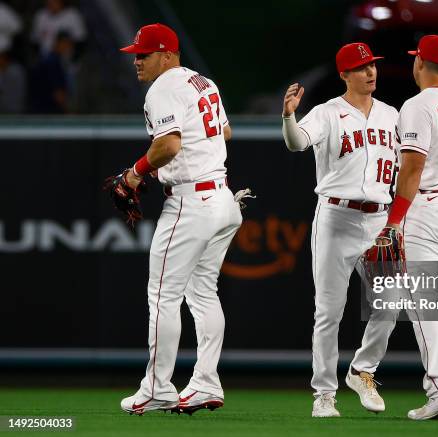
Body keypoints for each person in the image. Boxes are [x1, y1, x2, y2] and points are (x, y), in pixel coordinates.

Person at [117, 23, 243, 415]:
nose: (137, 61)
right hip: (222, 197)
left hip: (191, 204)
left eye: (145, 53)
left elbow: (169, 144)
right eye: (136, 54)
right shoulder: (203, 82)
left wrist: (137, 171)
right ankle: (205, 382)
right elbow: (224, 131)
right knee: (203, 292)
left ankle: (157, 388)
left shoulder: (163, 87)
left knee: (163, 295)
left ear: (168, 55)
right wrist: (172, 166)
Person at [282, 42, 400, 417]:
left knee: (391, 302)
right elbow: (297, 142)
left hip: (380, 218)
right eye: (361, 68)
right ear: (344, 75)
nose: (370, 73)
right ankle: (324, 394)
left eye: (372, 66)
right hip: (337, 217)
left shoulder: (392, 115)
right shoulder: (328, 112)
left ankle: (363, 370)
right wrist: (288, 117)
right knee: (329, 310)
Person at [379, 34, 438, 420]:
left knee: (425, 306)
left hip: (428, 207)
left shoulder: (417, 105)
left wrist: (393, 220)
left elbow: (413, 168)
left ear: (419, 63)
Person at [28, 31, 73, 113]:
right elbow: (58, 94)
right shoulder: (52, 62)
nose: (69, 48)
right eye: (67, 44)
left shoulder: (53, 60)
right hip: (47, 111)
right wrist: (67, 112)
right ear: (59, 43)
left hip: (43, 109)